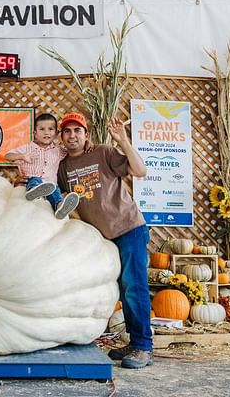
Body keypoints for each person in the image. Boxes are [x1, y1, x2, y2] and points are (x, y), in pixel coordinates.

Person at [56, 112, 154, 369]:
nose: (72, 135)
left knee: (134, 287)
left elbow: (140, 170)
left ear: (86, 134)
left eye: (77, 130)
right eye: (67, 131)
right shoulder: (64, 166)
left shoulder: (103, 152)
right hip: (100, 238)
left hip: (128, 228)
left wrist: (123, 141)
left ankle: (144, 347)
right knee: (121, 290)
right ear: (62, 137)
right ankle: (134, 344)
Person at [5, 113, 79, 220]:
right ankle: (34, 191)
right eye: (42, 129)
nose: (46, 133)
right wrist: (21, 156)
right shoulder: (27, 148)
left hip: (50, 184)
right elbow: (8, 156)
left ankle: (60, 207)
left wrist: (86, 144)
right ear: (35, 133)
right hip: (31, 180)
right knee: (35, 179)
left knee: (55, 192)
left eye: (50, 129)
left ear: (56, 133)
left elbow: (73, 151)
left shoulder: (58, 151)